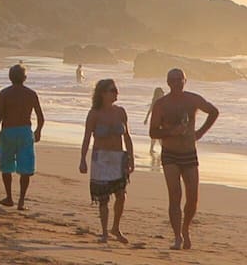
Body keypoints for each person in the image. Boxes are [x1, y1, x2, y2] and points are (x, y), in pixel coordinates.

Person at [149, 68, 219, 250]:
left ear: (185, 81)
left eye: (180, 79)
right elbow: (152, 132)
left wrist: (200, 133)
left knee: (193, 197)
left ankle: (186, 228)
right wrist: (171, 132)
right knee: (175, 195)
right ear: (168, 82)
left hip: (189, 153)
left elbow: (213, 112)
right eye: (173, 80)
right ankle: (177, 236)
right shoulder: (161, 104)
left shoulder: (193, 99)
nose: (176, 83)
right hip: (170, 154)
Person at [79, 79, 134, 244]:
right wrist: (82, 159)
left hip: (118, 157)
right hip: (101, 158)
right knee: (103, 198)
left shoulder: (121, 112)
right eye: (112, 90)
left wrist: (130, 157)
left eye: (116, 90)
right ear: (102, 93)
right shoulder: (94, 113)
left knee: (121, 195)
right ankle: (104, 232)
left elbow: (127, 136)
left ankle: (115, 227)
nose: (116, 93)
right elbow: (87, 137)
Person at [0, 64, 44, 210]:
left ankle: (9, 197)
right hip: (24, 133)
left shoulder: (5, 93)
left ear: (10, 77)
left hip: (8, 132)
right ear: (25, 78)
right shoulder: (31, 94)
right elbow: (41, 117)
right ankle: (21, 200)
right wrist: (38, 131)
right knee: (26, 168)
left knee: (6, 166)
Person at [142, 86, 165, 170]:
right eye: (161, 92)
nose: (163, 94)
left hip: (161, 120)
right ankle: (153, 148)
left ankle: (156, 148)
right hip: (155, 120)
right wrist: (146, 119)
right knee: (156, 135)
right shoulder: (156, 101)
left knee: (159, 136)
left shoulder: (163, 101)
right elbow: (150, 110)